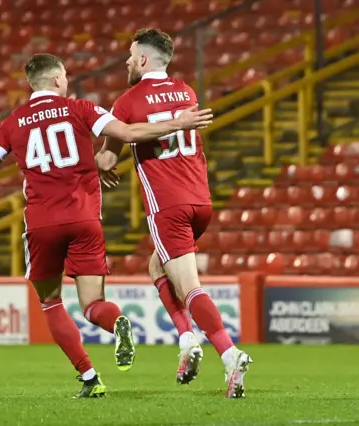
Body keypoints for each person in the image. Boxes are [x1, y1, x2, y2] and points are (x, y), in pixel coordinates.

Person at [0, 53, 214, 398]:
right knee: (93, 305)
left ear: (32, 83)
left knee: (50, 302)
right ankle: (116, 321)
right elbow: (128, 132)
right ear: (58, 79)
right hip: (86, 221)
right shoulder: (81, 109)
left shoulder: (11, 123)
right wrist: (177, 124)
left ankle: (90, 377)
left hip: (42, 223)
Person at [96, 28, 253, 399]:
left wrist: (102, 163)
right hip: (201, 201)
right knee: (156, 267)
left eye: (132, 56)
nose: (128, 62)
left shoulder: (128, 101)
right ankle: (187, 340)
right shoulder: (186, 92)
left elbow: (111, 151)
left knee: (189, 286)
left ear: (145, 60)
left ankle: (230, 355)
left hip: (168, 206)